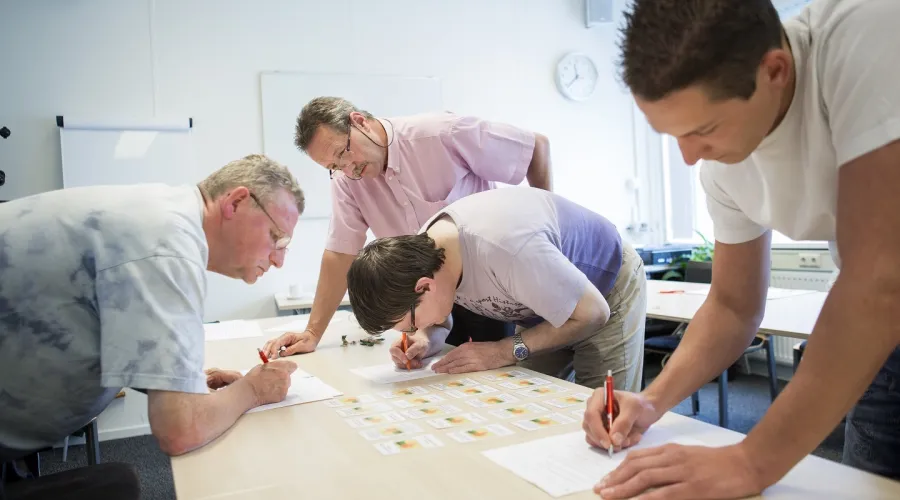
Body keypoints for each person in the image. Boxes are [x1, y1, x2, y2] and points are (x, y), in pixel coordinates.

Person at [582, 1, 900, 499]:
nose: (689, 157)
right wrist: (650, 401)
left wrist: (752, 461)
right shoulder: (723, 166)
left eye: (703, 130)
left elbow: (881, 277)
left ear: (775, 71)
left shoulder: (867, 31)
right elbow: (732, 305)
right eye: (674, 136)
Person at [0, 153, 303, 487]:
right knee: (116, 485)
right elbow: (180, 430)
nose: (279, 260)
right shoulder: (167, 246)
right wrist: (254, 390)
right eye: (278, 238)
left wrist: (180, 381)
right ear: (236, 202)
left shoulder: (163, 216)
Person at [262, 96, 553, 359]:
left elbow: (535, 148)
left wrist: (550, 236)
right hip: (428, 300)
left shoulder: (440, 133)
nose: (348, 169)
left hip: (491, 288)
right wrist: (313, 333)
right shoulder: (347, 183)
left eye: (344, 153)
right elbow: (340, 254)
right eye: (334, 166)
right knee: (437, 375)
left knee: (501, 372)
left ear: (359, 122)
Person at [345, 187, 646, 390]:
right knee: (532, 402)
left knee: (604, 413)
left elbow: (593, 313)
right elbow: (443, 304)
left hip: (604, 288)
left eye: (412, 322)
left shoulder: (505, 250)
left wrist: (505, 349)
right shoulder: (427, 251)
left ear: (425, 286)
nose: (413, 329)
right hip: (541, 301)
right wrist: (426, 336)